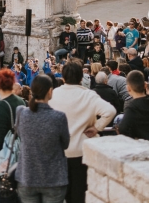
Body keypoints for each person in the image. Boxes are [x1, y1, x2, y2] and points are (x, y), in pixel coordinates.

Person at [49, 60, 116, 203]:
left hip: (59, 151)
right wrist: (97, 127)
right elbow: (110, 111)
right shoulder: (88, 95)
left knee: (61, 194)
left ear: (63, 77)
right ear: (81, 78)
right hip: (82, 150)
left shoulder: (53, 95)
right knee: (79, 194)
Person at [14, 75, 69, 203]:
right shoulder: (59, 117)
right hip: (53, 177)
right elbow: (65, 144)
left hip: (27, 176)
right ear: (50, 91)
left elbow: (21, 136)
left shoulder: (21, 113)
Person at [0, 68, 27, 201]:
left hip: (3, 159)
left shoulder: (1, 106)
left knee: (3, 195)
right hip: (18, 156)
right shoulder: (21, 102)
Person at [117, 71, 149, 141]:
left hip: (140, 143)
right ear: (145, 85)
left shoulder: (132, 107)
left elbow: (123, 128)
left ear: (128, 88)